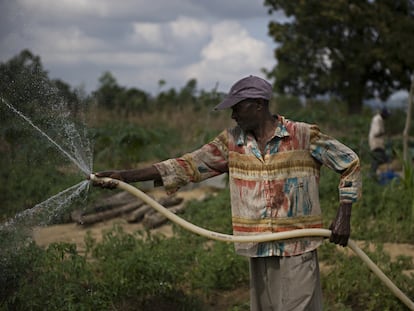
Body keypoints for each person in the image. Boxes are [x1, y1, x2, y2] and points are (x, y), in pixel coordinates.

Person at [92, 75, 361, 311]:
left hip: (299, 246)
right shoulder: (232, 142)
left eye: (237, 108)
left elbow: (349, 163)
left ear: (259, 105)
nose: (233, 115)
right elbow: (186, 166)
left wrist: (344, 214)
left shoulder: (303, 135)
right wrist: (124, 176)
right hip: (258, 248)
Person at [368, 107, 390, 178]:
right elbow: (377, 132)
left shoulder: (379, 119)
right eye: (386, 115)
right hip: (376, 143)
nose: (387, 117)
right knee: (378, 158)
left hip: (378, 143)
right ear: (383, 114)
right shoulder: (377, 119)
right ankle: (372, 174)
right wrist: (383, 133)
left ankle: (374, 173)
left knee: (381, 158)